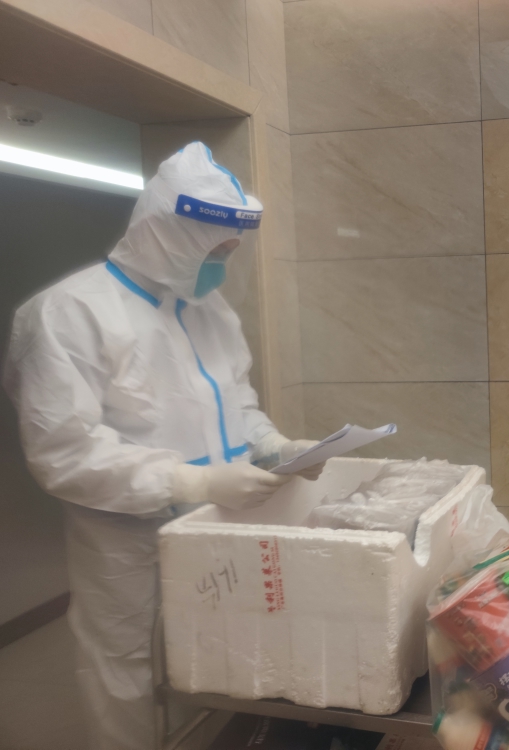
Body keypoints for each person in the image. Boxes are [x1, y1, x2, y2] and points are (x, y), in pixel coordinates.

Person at [3, 142, 325, 750]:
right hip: (126, 539)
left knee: (221, 651)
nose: (223, 262)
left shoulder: (209, 311)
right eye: (215, 249)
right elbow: (63, 451)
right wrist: (192, 481)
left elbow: (236, 402)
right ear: (168, 236)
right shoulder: (69, 313)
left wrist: (274, 445)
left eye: (230, 250)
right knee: (129, 668)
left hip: (219, 527)